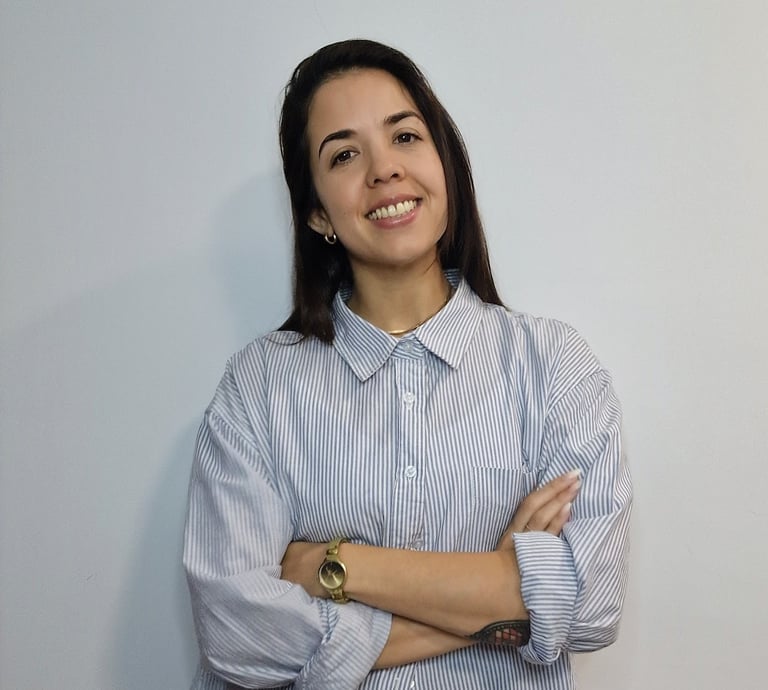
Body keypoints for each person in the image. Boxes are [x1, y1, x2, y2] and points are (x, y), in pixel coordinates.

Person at [183, 39, 632, 690]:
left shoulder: (556, 368)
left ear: (442, 162)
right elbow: (235, 637)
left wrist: (336, 566)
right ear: (316, 212)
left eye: (405, 137)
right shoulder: (258, 388)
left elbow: (591, 604)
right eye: (344, 154)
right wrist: (506, 594)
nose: (384, 170)